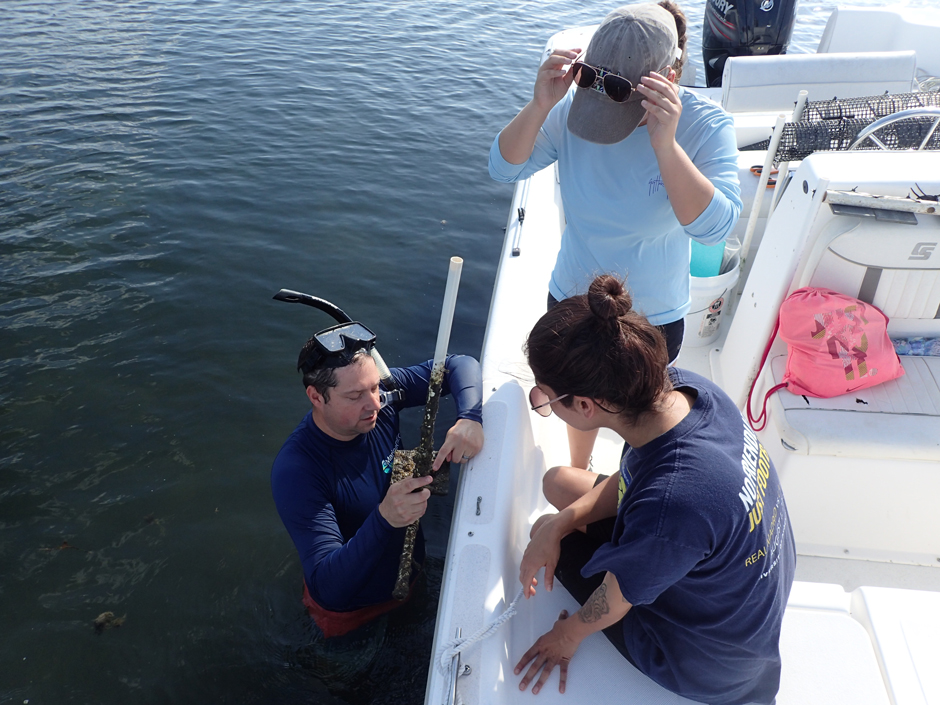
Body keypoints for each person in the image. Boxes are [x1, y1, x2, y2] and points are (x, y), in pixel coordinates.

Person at [515, 275, 795, 704]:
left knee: (540, 530)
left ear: (586, 406)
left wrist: (567, 634)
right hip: (737, 606)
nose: (544, 407)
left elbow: (615, 598)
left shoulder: (672, 504)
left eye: (547, 401)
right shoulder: (685, 390)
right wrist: (561, 525)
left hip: (705, 663)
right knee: (558, 489)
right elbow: (635, 480)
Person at [489, 1, 742, 469]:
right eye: (592, 80)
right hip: (573, 297)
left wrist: (664, 145)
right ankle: (580, 470)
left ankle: (629, 482)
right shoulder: (569, 112)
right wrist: (541, 102)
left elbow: (715, 227)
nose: (603, 100)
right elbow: (504, 167)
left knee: (638, 417)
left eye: (621, 90)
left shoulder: (705, 126)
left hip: (652, 314)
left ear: (669, 75)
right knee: (577, 398)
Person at [271, 321, 484, 638]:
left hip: (408, 575)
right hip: (352, 613)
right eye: (355, 395)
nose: (374, 404)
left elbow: (459, 365)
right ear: (316, 397)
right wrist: (385, 519)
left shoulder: (383, 397)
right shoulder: (297, 470)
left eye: (373, 387)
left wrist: (470, 417)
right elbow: (327, 586)